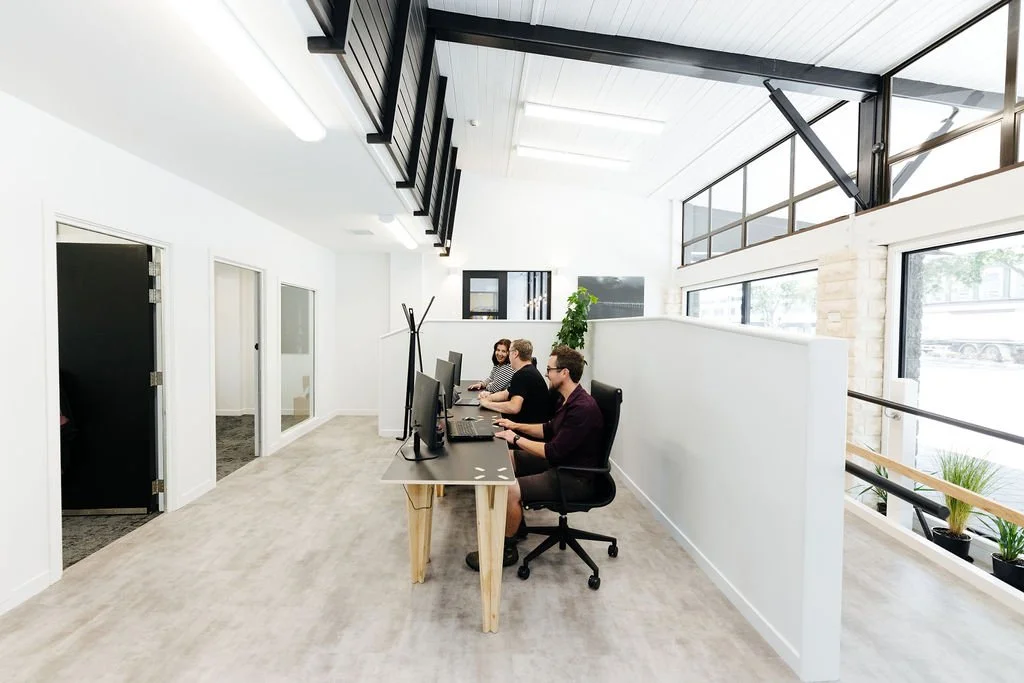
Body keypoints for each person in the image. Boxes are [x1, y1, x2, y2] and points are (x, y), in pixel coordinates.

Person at [466, 345, 605, 571]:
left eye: (549, 369)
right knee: (507, 458)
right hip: (561, 462)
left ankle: (506, 549)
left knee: (509, 489)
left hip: (575, 477)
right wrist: (514, 425)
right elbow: (548, 429)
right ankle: (516, 524)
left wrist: (516, 438)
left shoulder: (582, 408)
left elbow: (552, 451)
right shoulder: (568, 399)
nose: (546, 373)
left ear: (564, 373)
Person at [478, 339, 551, 425]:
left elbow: (513, 407)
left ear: (515, 353)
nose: (508, 356)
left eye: (509, 352)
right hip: (532, 423)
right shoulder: (528, 370)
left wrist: (487, 404)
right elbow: (507, 393)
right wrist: (489, 398)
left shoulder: (523, 375)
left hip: (528, 427)